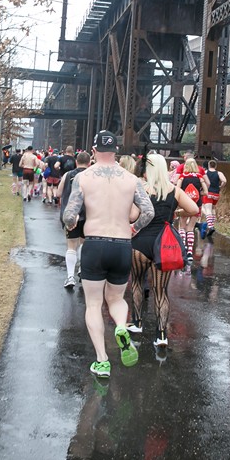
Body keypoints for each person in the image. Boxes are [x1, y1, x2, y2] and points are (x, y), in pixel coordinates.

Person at [62, 130, 154, 378]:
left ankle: (102, 361)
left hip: (94, 244)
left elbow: (69, 215)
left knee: (93, 304)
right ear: (115, 151)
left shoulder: (83, 177)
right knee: (116, 299)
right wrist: (134, 228)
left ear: (93, 151)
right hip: (122, 245)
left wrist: (71, 224)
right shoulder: (131, 179)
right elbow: (148, 211)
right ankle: (122, 327)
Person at [127, 153, 200, 347]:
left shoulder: (141, 188)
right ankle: (161, 335)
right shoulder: (174, 191)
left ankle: (137, 323)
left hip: (140, 242)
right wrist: (176, 212)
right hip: (164, 244)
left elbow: (132, 217)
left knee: (136, 282)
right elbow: (194, 209)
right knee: (161, 291)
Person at [58, 150, 90, 289]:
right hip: (87, 215)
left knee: (71, 245)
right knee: (84, 243)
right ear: (89, 163)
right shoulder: (91, 176)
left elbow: (59, 193)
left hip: (71, 214)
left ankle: (70, 277)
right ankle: (82, 270)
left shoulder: (68, 175)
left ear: (76, 162)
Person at [177, 158, 204, 263]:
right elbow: (206, 191)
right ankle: (189, 252)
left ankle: (182, 248)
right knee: (191, 228)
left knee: (182, 225)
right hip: (196, 204)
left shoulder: (182, 177)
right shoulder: (199, 177)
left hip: (184, 203)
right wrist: (198, 193)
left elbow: (177, 190)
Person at [201, 160, 227, 238]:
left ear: (209, 165)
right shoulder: (219, 173)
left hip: (208, 193)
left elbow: (201, 180)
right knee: (212, 209)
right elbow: (224, 181)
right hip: (216, 193)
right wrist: (220, 187)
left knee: (206, 209)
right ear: (215, 166)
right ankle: (211, 225)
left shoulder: (205, 173)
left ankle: (210, 226)